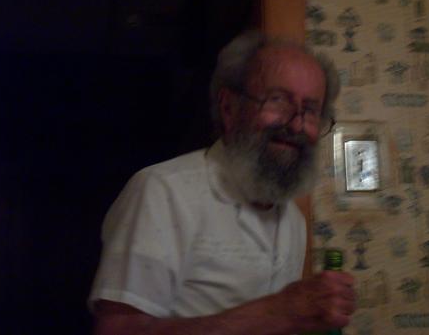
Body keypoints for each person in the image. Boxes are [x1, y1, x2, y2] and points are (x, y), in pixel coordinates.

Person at [89, 31, 356, 335]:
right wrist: (277, 313)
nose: (296, 124)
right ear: (229, 108)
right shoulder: (161, 192)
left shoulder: (292, 219)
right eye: (278, 100)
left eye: (310, 110)